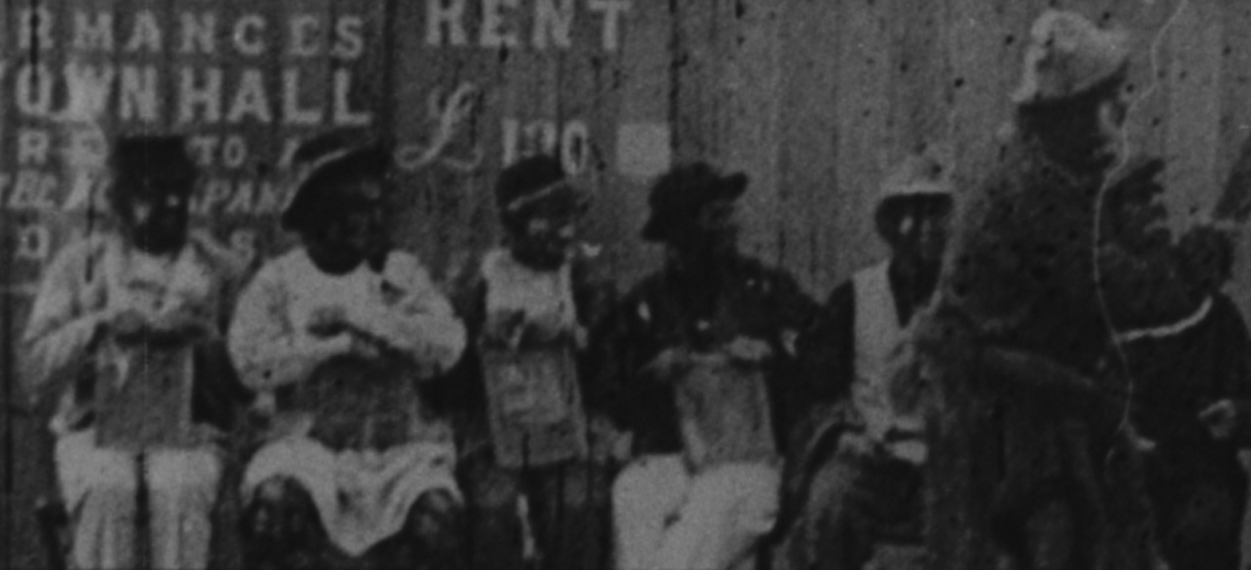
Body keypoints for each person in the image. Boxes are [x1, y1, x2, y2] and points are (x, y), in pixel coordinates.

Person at [897, 8, 1164, 570]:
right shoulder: (1033, 186)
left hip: (1035, 408)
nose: (1118, 111)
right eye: (1106, 98)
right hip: (1002, 422)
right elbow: (1111, 290)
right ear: (1071, 115)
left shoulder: (1058, 180)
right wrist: (1197, 260)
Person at [229, 135, 468, 570]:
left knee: (437, 518)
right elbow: (250, 362)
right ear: (322, 214)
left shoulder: (400, 273)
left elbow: (448, 347)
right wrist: (329, 345)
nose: (375, 220)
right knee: (274, 511)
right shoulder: (280, 280)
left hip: (395, 450)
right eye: (360, 209)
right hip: (306, 445)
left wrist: (378, 324)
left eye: (378, 206)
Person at [20, 135, 248, 570]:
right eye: (152, 191)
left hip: (190, 429)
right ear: (117, 202)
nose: (172, 203)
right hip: (95, 427)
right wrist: (97, 325)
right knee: (108, 485)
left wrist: (205, 339)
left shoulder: (220, 268)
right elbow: (34, 365)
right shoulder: (79, 265)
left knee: (178, 485)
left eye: (180, 190)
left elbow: (249, 381)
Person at [590, 160, 820, 570]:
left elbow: (820, 369)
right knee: (632, 494)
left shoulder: (765, 291)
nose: (731, 225)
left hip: (748, 463)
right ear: (683, 231)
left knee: (699, 530)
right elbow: (611, 393)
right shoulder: (647, 303)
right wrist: (653, 376)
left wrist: (772, 357)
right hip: (672, 458)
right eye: (716, 216)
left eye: (730, 213)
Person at [780, 149, 954, 570]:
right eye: (917, 213)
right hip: (873, 457)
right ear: (893, 224)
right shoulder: (855, 296)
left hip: (950, 459)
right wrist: (841, 429)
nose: (930, 229)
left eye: (939, 213)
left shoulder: (967, 295)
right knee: (828, 503)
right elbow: (812, 382)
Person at [445, 153, 616, 570]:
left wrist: (579, 343)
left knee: (579, 501)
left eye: (569, 216)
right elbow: (446, 380)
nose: (566, 230)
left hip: (570, 426)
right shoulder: (480, 281)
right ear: (515, 223)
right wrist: (480, 341)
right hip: (495, 429)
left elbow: (611, 374)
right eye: (550, 217)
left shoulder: (585, 281)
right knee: (494, 506)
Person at [1113, 220, 1251, 570]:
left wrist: (1237, 414)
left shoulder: (1218, 319)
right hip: (1122, 491)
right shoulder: (1103, 314)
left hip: (1199, 491)